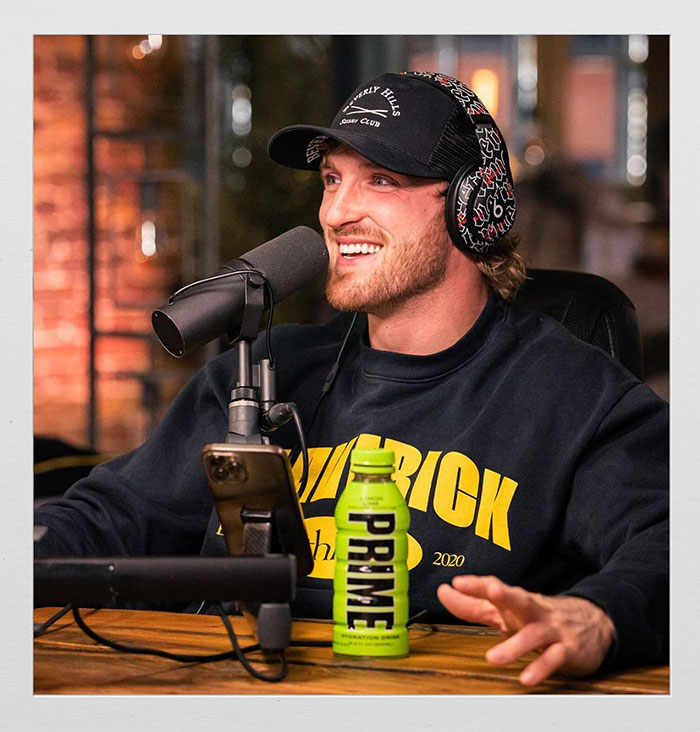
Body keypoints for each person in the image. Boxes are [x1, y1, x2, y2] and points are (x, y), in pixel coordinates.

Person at [35, 71, 668, 686]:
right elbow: (109, 518)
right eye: (331, 179)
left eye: (380, 181)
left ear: (474, 205)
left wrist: (601, 616)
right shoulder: (259, 377)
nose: (337, 212)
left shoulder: (569, 391)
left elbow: (669, 537)